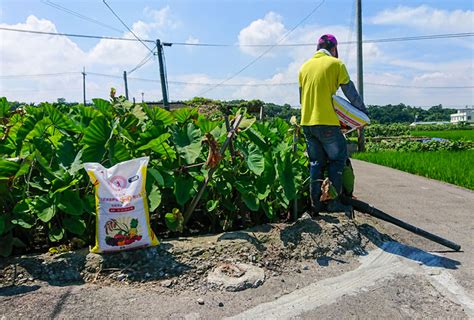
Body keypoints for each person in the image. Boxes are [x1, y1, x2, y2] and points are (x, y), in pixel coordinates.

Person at [298, 34, 367, 216]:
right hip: (327, 122)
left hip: (307, 123)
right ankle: (333, 203)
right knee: (337, 159)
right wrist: (363, 114)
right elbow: (351, 93)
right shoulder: (337, 64)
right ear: (334, 49)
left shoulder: (304, 67)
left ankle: (316, 205)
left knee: (316, 163)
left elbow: (301, 99)